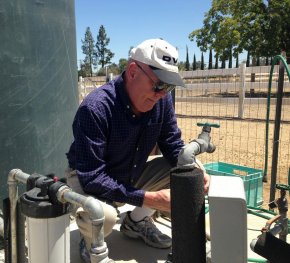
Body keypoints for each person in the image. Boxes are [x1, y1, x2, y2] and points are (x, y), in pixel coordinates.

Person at [66, 38, 210, 263]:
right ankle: (91, 242)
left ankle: (136, 223)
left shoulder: (160, 102)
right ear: (133, 72)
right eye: (159, 84)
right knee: (104, 216)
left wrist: (195, 172)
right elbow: (93, 177)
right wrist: (149, 199)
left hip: (129, 171)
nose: (162, 93)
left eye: (168, 86)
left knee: (190, 171)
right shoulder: (95, 108)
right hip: (88, 179)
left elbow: (172, 145)